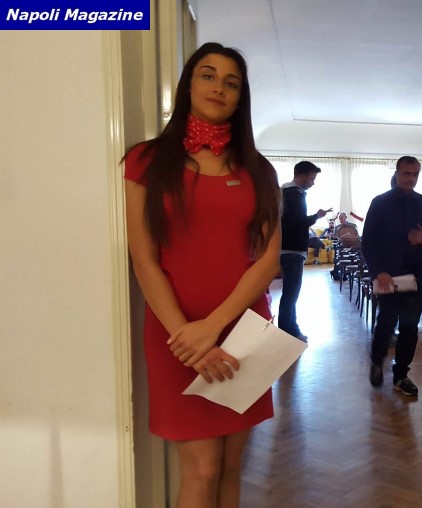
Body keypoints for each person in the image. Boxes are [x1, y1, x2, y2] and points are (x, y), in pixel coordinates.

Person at [123, 42, 281, 507]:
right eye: (208, 75)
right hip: (177, 338)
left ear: (240, 97)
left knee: (231, 465)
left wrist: (212, 328)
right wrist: (189, 337)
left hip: (243, 334)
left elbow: (267, 260)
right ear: (188, 85)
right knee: (202, 468)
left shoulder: (259, 170)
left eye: (231, 82)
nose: (219, 87)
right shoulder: (146, 160)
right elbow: (144, 259)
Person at [361, 156, 422, 396]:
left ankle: (401, 375)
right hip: (387, 275)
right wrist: (378, 271)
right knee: (386, 322)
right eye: (407, 173)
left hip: (416, 278)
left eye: (415, 174)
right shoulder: (380, 203)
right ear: (397, 174)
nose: (411, 178)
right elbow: (368, 242)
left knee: (409, 328)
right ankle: (377, 360)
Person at [279, 161, 330, 341]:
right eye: (312, 179)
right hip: (293, 250)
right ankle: (288, 333)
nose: (313, 183)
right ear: (301, 176)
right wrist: (317, 216)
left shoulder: (285, 191)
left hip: (285, 248)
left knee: (289, 294)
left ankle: (292, 329)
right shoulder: (296, 194)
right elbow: (299, 222)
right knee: (291, 295)